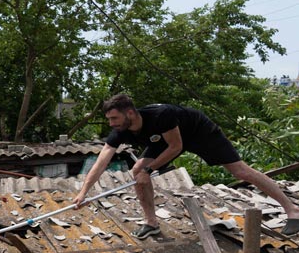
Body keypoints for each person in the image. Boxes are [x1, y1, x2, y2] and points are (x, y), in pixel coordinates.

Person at [73, 93, 299, 238]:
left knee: (240, 171)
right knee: (136, 173)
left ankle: (292, 210)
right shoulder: (120, 131)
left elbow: (176, 147)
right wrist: (83, 193)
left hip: (198, 132)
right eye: (110, 120)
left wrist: (149, 170)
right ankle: (151, 223)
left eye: (114, 118)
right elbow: (101, 160)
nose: (112, 124)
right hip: (163, 139)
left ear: (130, 112)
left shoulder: (161, 115)